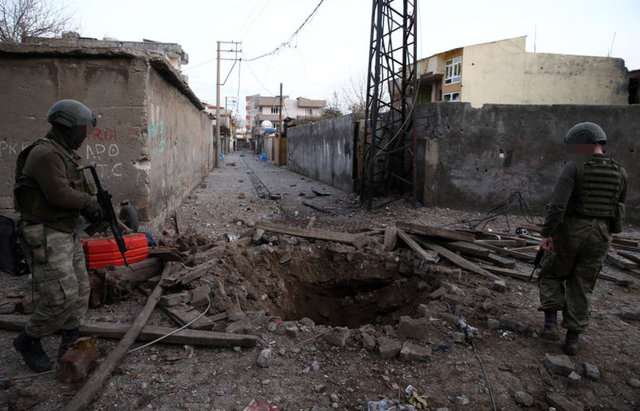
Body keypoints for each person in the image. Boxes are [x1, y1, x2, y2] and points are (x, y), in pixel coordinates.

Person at [13, 99, 104, 371]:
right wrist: (89, 204)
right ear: (67, 126)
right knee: (59, 297)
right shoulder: (46, 154)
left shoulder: (64, 153)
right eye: (82, 130)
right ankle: (28, 339)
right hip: (46, 234)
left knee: (81, 289)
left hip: (64, 231)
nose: (84, 136)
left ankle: (70, 338)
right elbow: (59, 194)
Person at [537, 122, 627, 355]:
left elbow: (558, 205)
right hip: (601, 235)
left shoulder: (574, 167)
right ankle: (572, 339)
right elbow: (619, 206)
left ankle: (549, 325)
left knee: (552, 273)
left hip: (571, 230)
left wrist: (547, 233)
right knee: (582, 283)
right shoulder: (619, 171)